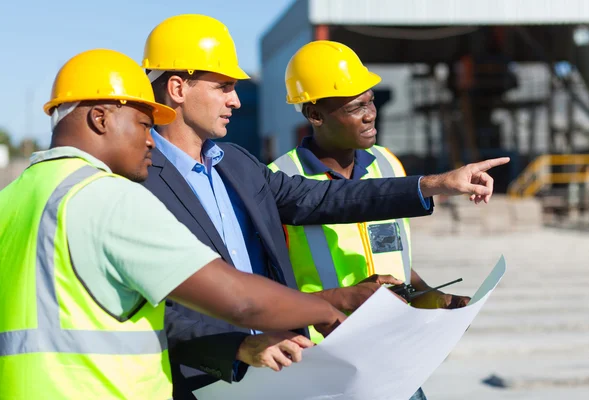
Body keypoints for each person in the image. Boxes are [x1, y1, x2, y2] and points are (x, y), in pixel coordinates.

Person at [140, 14, 509, 400]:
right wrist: (238, 347)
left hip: (291, 366)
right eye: (224, 87)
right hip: (211, 380)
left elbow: (325, 198)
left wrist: (438, 185)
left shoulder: (236, 164)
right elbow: (152, 306)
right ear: (179, 88)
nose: (236, 100)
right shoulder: (138, 181)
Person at [0, 48, 349, 400]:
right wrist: (326, 307)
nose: (151, 140)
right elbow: (239, 301)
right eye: (144, 125)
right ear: (100, 119)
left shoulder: (11, 199)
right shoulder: (107, 197)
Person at [270, 40, 474, 400]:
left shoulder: (387, 165)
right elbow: (268, 289)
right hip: (329, 362)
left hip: (396, 353)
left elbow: (395, 256)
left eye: (370, 101)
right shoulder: (281, 180)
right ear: (315, 115)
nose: (370, 114)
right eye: (355, 107)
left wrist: (432, 299)